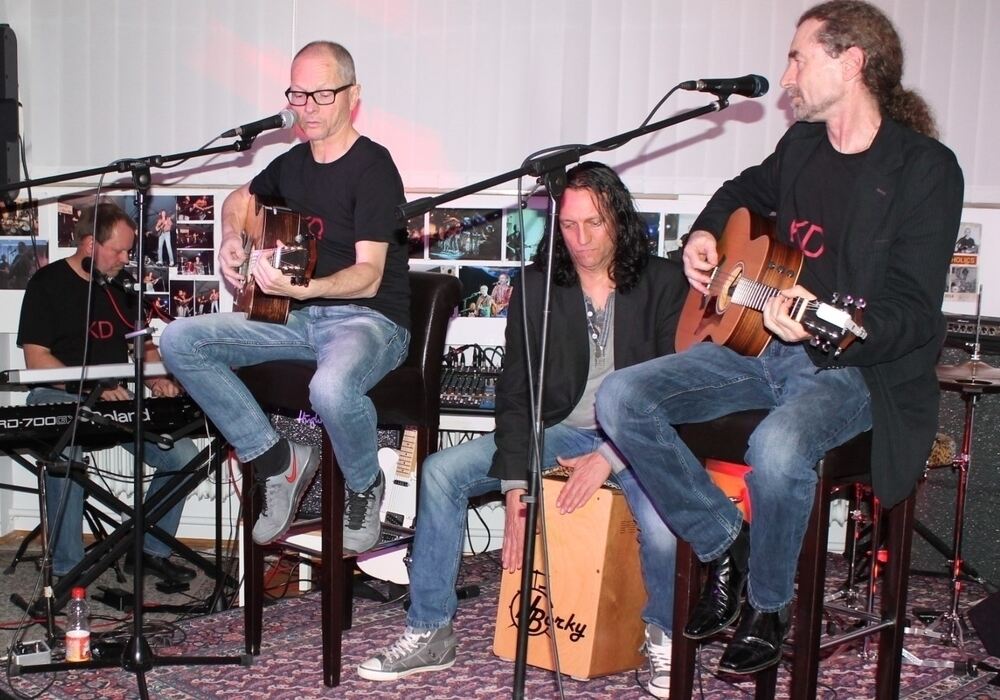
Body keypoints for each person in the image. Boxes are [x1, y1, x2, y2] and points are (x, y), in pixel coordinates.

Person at [596, 0, 964, 675]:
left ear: (851, 63)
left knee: (777, 444)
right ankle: (723, 543)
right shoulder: (800, 147)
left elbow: (913, 311)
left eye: (798, 57)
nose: (786, 75)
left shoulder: (925, 170)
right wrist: (705, 234)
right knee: (620, 398)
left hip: (854, 370)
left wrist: (837, 324)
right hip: (759, 349)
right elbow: (741, 190)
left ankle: (768, 605)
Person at [358, 162, 688, 698]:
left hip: (639, 437)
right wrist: (515, 483)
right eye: (569, 225)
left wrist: (611, 455)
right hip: (561, 430)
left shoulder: (664, 282)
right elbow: (515, 392)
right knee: (441, 472)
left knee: (662, 524)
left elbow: (677, 389)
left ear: (620, 221)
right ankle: (430, 629)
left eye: (595, 224)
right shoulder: (538, 285)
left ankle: (664, 636)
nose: (581, 240)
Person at [160, 41, 410, 554]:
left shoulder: (374, 168)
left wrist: (307, 288)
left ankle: (365, 485)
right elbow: (239, 200)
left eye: (323, 94)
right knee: (180, 339)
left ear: (353, 96)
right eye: (298, 94)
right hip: (297, 317)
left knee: (330, 389)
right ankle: (277, 459)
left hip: (369, 321)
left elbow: (368, 276)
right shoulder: (292, 164)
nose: (308, 107)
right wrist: (231, 237)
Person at [17, 202, 200, 584]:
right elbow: (36, 359)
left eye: (128, 251)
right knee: (66, 453)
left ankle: (149, 550)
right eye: (119, 251)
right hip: (58, 398)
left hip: (114, 401)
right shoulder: (46, 284)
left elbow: (143, 346)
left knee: (183, 454)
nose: (125, 258)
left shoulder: (121, 288)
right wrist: (92, 389)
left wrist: (159, 380)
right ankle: (67, 570)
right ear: (89, 245)